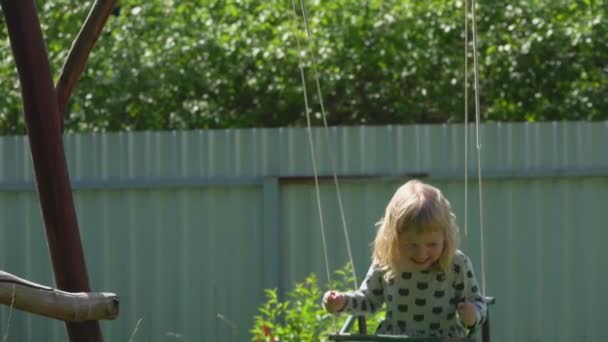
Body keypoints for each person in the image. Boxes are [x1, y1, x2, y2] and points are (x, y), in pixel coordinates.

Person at [323, 179, 487, 338]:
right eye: (411, 245)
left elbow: (479, 303)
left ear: (446, 237)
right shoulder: (387, 261)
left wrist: (472, 314)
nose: (421, 254)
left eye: (431, 244)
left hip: (443, 338)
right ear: (393, 238)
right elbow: (369, 300)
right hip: (396, 337)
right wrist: (342, 301)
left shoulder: (456, 264)